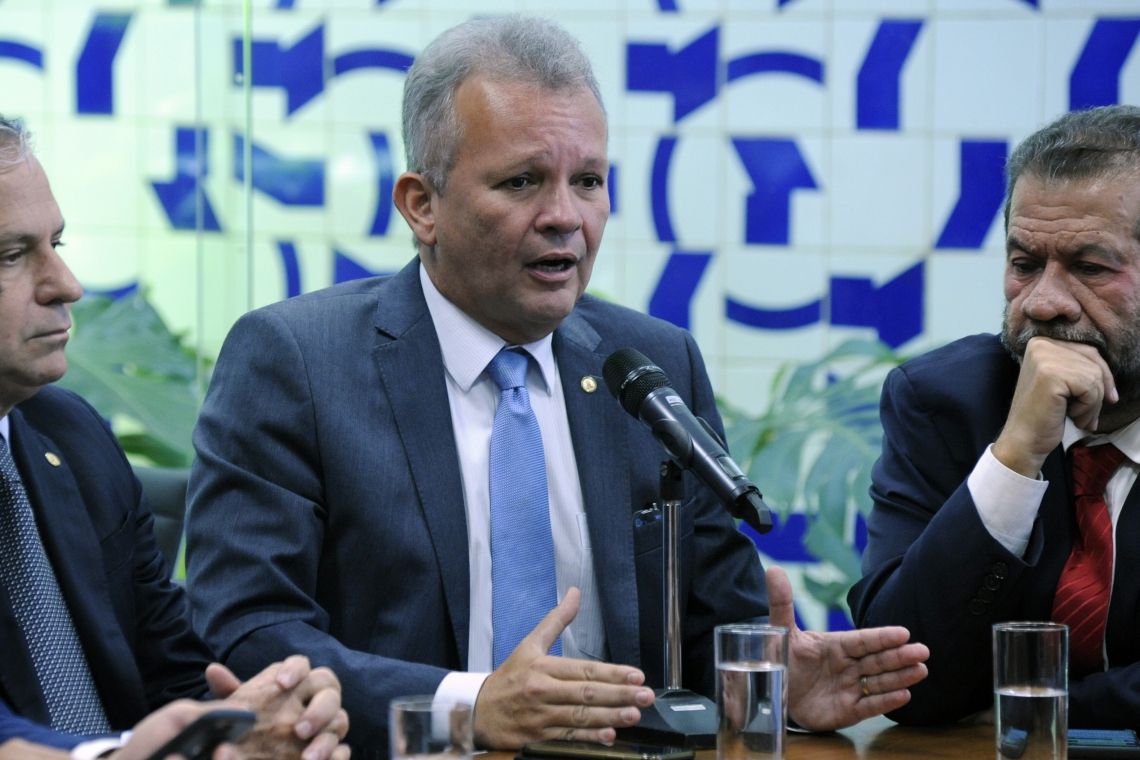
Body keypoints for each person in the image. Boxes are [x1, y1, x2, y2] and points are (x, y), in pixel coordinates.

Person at [185, 15, 929, 757]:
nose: (565, 218)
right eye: (522, 182)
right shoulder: (296, 362)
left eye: (588, 182)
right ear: (422, 205)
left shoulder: (652, 366)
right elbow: (249, 631)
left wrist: (768, 683)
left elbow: (708, 631)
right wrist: (471, 707)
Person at [0, 115, 350, 760]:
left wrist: (258, 720)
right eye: (11, 256)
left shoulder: (71, 436)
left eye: (57, 243)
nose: (66, 285)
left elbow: (174, 672)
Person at [849, 105, 1140, 730]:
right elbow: (897, 674)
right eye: (1024, 264)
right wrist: (1013, 459)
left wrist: (1029, 709)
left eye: (1091, 268)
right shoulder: (946, 402)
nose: (1043, 303)